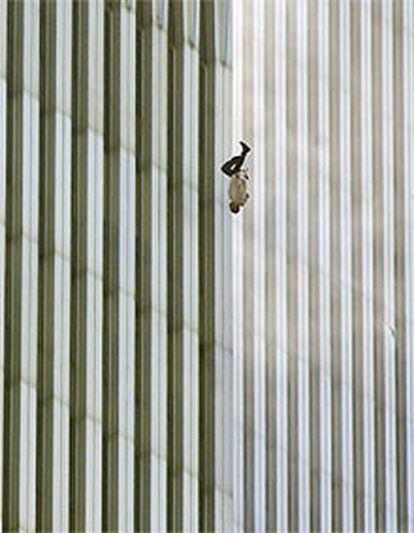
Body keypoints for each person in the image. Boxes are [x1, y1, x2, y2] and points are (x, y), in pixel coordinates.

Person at [221, 141, 251, 214]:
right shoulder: (239, 199)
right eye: (232, 208)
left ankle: (243, 153)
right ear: (235, 207)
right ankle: (241, 156)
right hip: (238, 178)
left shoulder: (233, 198)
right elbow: (244, 188)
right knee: (225, 169)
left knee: (230, 168)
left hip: (235, 178)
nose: (230, 206)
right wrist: (241, 178)